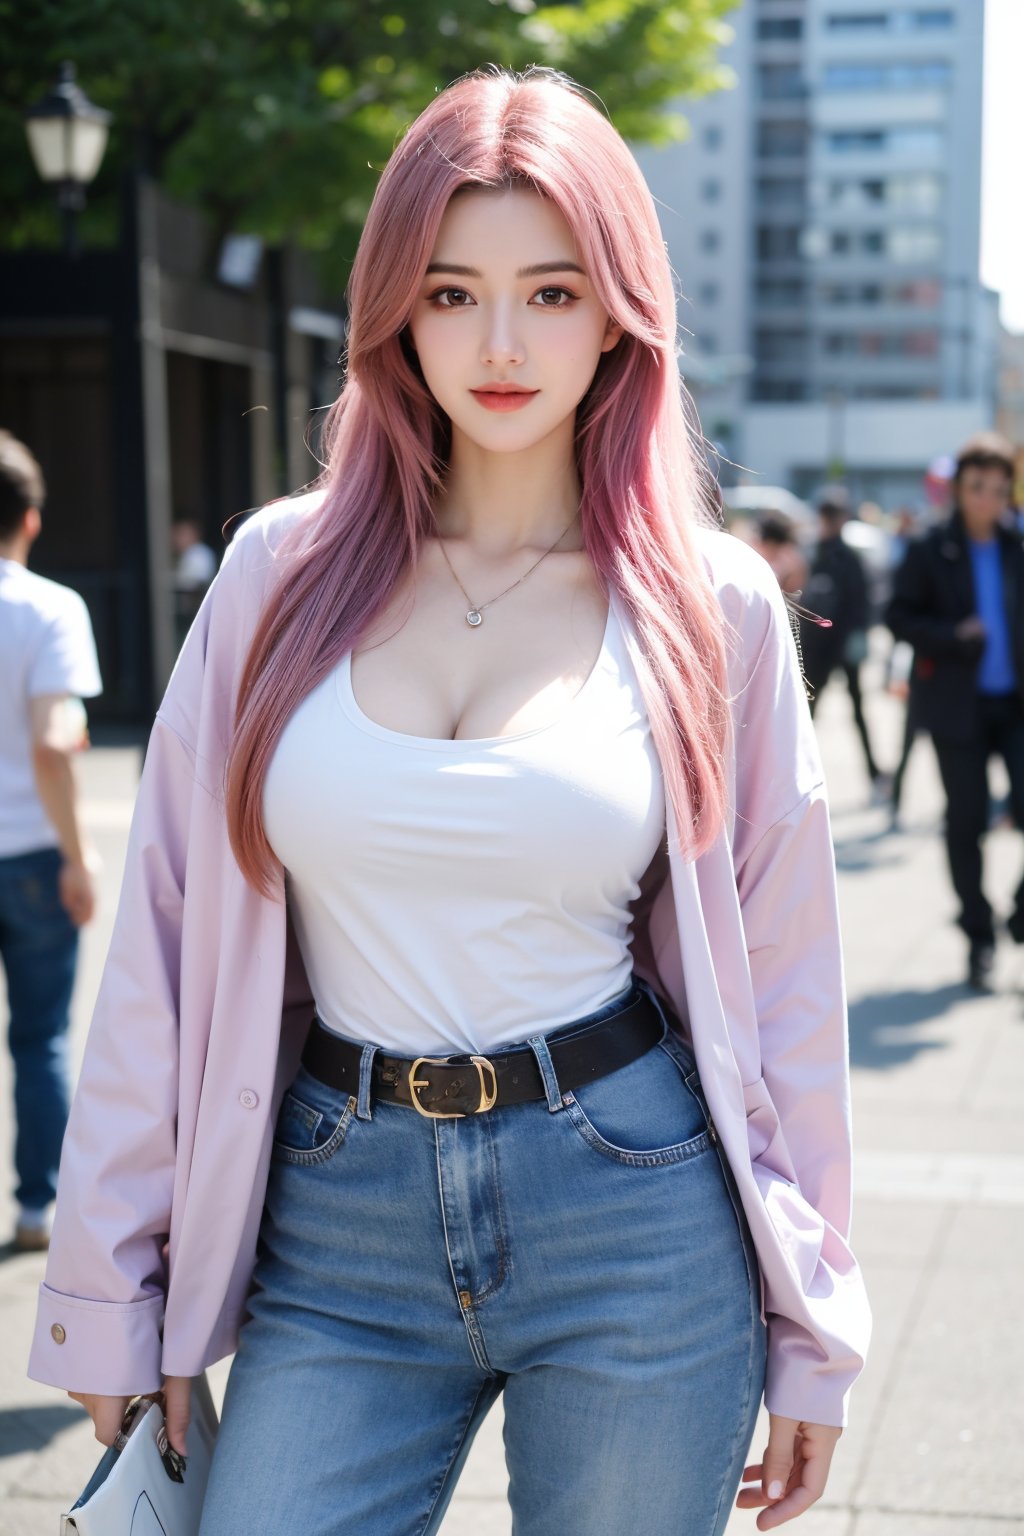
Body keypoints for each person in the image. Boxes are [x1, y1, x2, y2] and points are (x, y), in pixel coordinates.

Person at [27, 69, 868, 1535]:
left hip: (630, 1201)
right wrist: (111, 1287)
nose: (497, 343)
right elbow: (159, 948)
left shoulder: (707, 604)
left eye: (550, 292)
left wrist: (816, 1330)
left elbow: (790, 984)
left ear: (619, 311)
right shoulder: (278, 579)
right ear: (394, 311)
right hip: (334, 1216)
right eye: (451, 290)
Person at [0, 430, 102, 1251]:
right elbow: (53, 737)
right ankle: (40, 1208)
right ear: (29, 520)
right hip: (30, 851)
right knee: (40, 1039)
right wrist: (77, 855)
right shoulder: (49, 611)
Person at [887, 431, 1024, 990]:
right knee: (965, 826)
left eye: (999, 488)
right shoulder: (929, 548)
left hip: (1015, 707)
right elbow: (897, 618)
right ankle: (979, 936)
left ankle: (1018, 912)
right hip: (956, 710)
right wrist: (952, 634)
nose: (988, 499)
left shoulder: (1018, 547)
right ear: (958, 489)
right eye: (977, 487)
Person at [800, 488, 887, 797]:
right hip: (822, 647)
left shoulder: (842, 556)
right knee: (809, 713)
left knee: (848, 711)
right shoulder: (816, 552)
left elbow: (860, 602)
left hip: (834, 646)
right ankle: (794, 769)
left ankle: (874, 773)